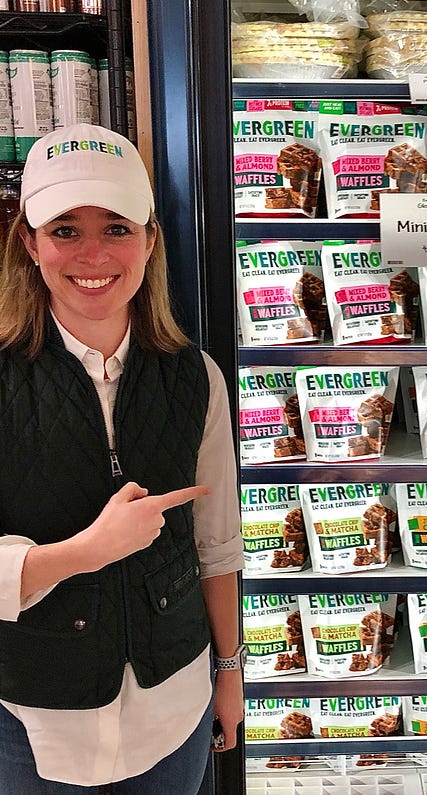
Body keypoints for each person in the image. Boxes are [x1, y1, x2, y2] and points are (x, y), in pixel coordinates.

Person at [0, 123, 245, 794]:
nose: (92, 254)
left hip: (177, 713)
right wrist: (84, 551)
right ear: (29, 241)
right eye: (65, 230)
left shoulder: (198, 378)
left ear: (149, 238)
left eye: (115, 227)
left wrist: (230, 672)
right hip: (30, 725)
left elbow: (216, 547)